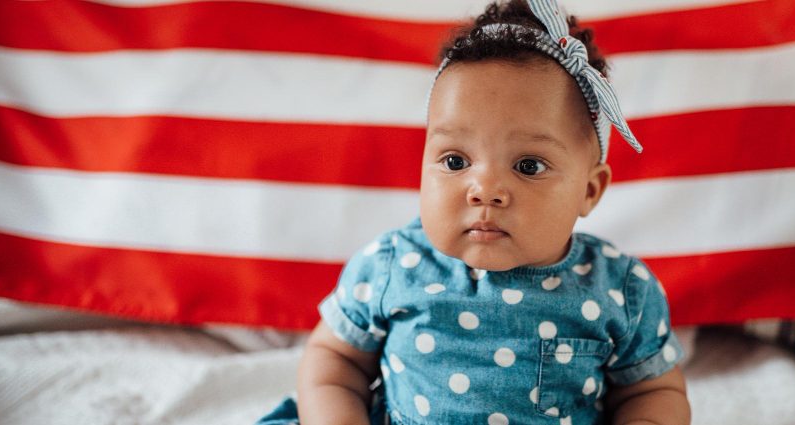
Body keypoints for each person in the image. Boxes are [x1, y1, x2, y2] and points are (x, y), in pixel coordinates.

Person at [258, 0, 689, 423]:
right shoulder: (392, 267)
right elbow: (335, 363)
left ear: (589, 191)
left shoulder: (618, 290)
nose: (484, 190)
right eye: (455, 162)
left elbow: (652, 390)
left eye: (528, 166)